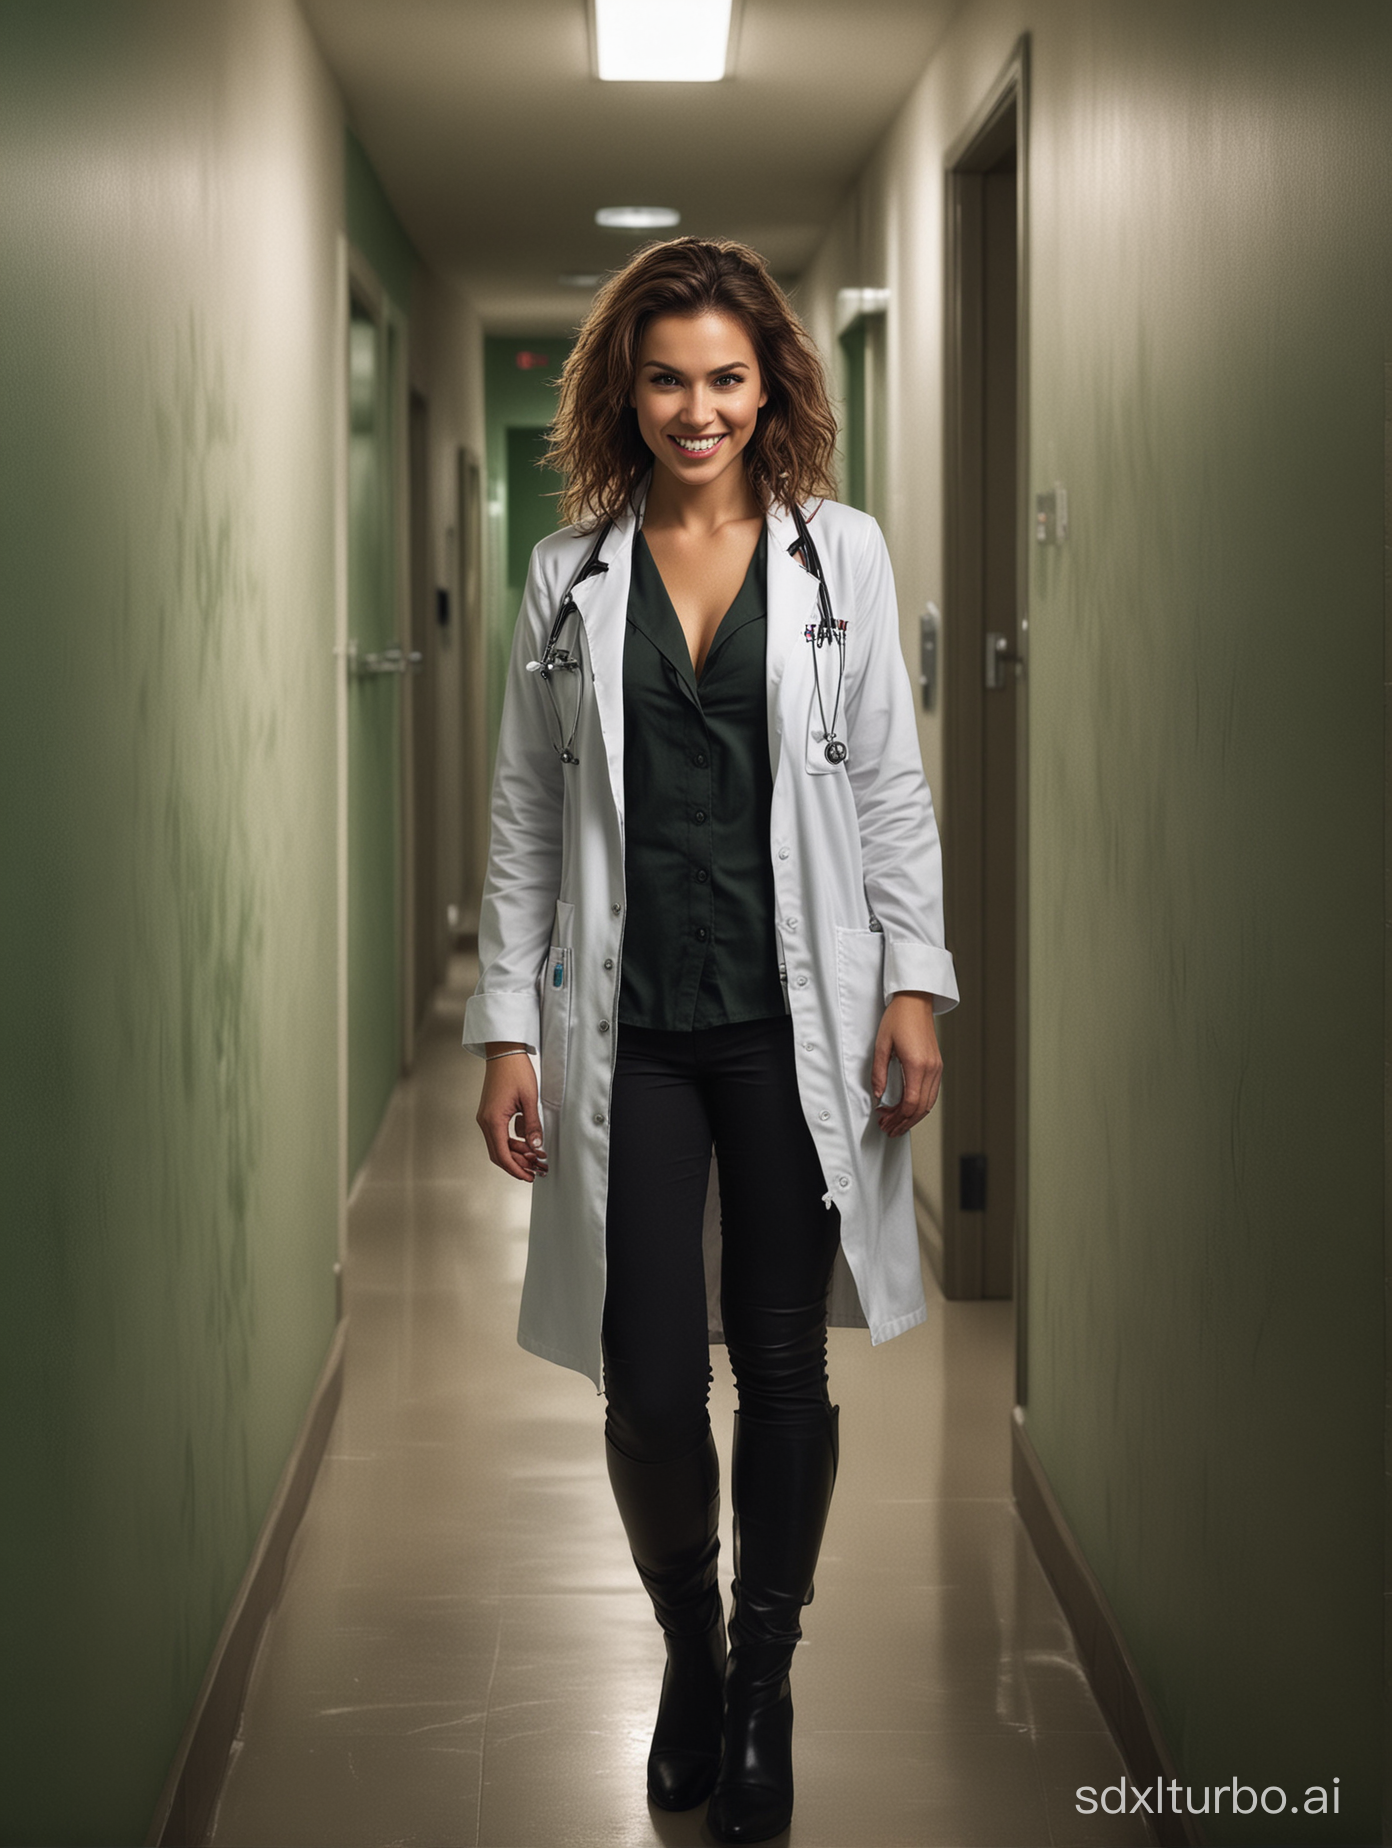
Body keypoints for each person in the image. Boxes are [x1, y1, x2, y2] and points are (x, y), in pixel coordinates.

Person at [464, 236, 957, 1844]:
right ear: (627, 385)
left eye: (727, 378)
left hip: (789, 1020)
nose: (698, 408)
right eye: (668, 376)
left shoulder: (845, 559)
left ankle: (762, 1679)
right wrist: (503, 1027)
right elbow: (530, 810)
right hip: (629, 1029)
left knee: (786, 1355)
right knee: (650, 1379)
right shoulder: (567, 574)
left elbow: (886, 780)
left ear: (772, 387)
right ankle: (685, 1636)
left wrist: (912, 982)